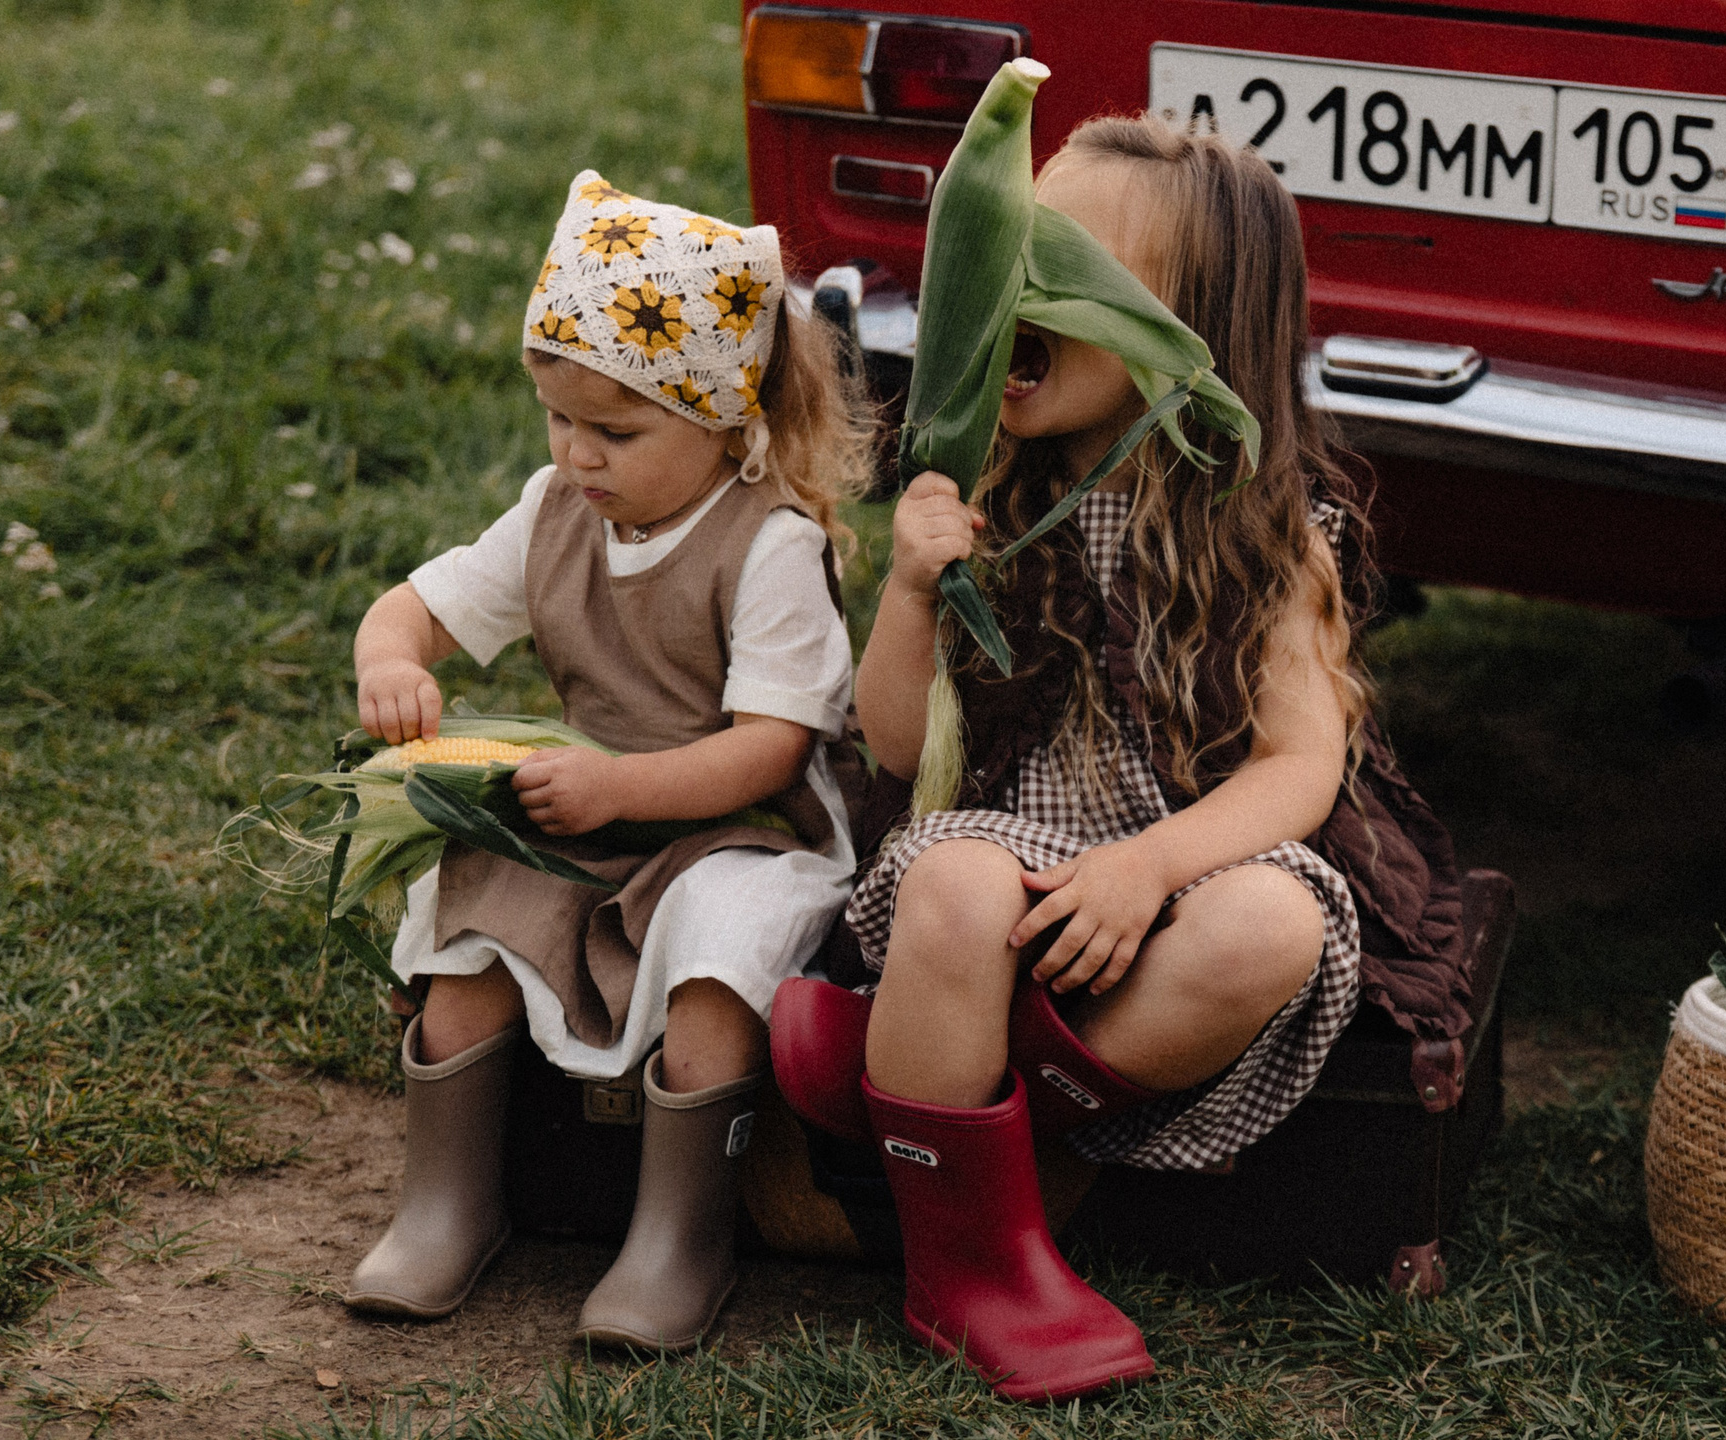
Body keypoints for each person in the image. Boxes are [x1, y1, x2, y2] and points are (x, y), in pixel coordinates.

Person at [769, 117, 1470, 1402]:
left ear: (1181, 332)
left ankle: (944, 1116)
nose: (1016, 295)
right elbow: (893, 741)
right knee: (956, 889)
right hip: (997, 844)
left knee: (1274, 928)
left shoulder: (1269, 533)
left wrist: (1151, 869)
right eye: (1010, 256)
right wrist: (915, 593)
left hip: (1178, 861)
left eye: (1069, 272)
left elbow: (1296, 770)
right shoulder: (979, 490)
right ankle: (970, 1269)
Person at [342, 171, 870, 1350]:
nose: (577, 454)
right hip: (593, 810)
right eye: (557, 418)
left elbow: (773, 747)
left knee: (713, 961)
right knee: (470, 917)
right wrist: (394, 662)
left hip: (738, 824)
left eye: (615, 431)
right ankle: (449, 1203)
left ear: (728, 418)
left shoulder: (768, 542)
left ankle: (679, 1237)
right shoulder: (553, 509)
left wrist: (623, 790)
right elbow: (415, 607)